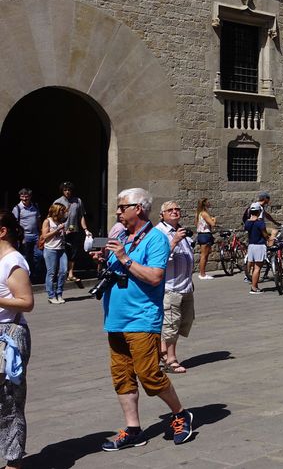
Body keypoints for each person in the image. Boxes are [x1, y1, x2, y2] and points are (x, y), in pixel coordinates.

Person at [98, 188, 192, 450]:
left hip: (142, 318)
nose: (117, 211)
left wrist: (123, 258)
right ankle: (133, 429)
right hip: (115, 318)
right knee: (122, 375)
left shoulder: (155, 239)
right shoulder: (123, 237)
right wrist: (105, 259)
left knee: (149, 374)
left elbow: (154, 277)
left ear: (137, 208)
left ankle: (180, 414)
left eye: (121, 207)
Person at [0, 210, 33, 468]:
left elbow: (26, 302)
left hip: (8, 334)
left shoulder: (13, 261)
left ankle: (13, 462)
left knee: (9, 402)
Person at [155, 202, 194, 375]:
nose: (174, 212)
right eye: (170, 210)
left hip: (185, 286)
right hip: (170, 288)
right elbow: (159, 258)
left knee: (181, 324)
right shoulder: (159, 233)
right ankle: (169, 359)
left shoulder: (181, 230)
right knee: (170, 326)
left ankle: (161, 354)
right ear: (162, 214)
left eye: (177, 209)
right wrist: (175, 241)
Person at [54, 181, 91, 286]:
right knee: (62, 252)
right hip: (62, 231)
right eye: (65, 190)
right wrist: (59, 229)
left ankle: (70, 273)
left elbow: (81, 216)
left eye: (69, 190)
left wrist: (85, 229)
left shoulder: (78, 201)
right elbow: (54, 218)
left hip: (74, 230)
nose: (67, 192)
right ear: (62, 191)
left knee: (73, 252)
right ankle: (61, 273)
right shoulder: (58, 201)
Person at [38, 203, 68, 304]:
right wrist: (57, 230)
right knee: (51, 273)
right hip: (50, 249)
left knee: (64, 271)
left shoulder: (60, 221)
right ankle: (51, 295)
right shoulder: (47, 221)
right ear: (56, 211)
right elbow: (45, 236)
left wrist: (65, 232)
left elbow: (59, 235)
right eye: (62, 211)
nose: (63, 213)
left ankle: (59, 293)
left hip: (61, 249)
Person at [12, 189, 41, 282]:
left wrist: (41, 233)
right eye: (22, 196)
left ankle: (35, 275)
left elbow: (38, 220)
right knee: (25, 257)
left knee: (39, 255)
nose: (24, 198)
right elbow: (14, 224)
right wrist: (19, 237)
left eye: (26, 196)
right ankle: (25, 277)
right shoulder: (17, 208)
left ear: (30, 196)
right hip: (25, 236)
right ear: (20, 197)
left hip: (36, 235)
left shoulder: (35, 206)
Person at [244, 203, 269, 295]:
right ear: (259, 212)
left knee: (254, 266)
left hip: (251, 246)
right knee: (257, 268)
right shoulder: (260, 222)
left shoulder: (247, 222)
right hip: (259, 245)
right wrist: (269, 238)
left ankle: (255, 285)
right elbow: (265, 234)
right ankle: (254, 287)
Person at [194, 199, 217, 280]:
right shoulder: (204, 213)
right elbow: (212, 224)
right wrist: (214, 219)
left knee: (204, 255)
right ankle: (202, 274)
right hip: (205, 234)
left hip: (200, 234)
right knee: (204, 255)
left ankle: (202, 273)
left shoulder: (198, 214)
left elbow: (196, 224)